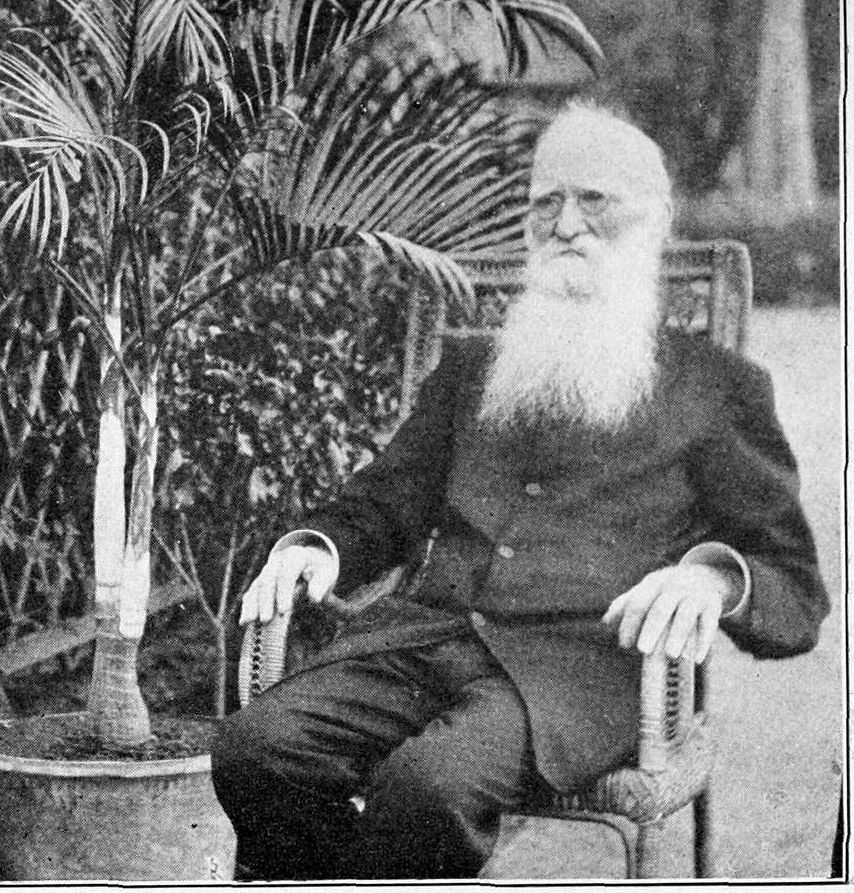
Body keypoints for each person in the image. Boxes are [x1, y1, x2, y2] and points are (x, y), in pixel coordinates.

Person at [211, 101, 828, 880]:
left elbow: (794, 592)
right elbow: (384, 502)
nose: (566, 224)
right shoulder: (475, 369)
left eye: (594, 199)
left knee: (430, 788)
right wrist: (319, 548)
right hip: (420, 639)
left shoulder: (718, 388)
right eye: (546, 203)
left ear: (655, 219)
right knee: (255, 749)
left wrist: (713, 577)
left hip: (575, 673)